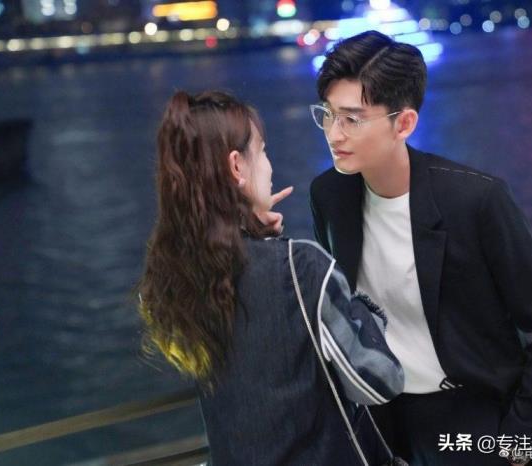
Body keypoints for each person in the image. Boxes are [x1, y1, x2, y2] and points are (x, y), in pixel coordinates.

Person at [309, 31, 532, 466]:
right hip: (390, 424)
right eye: (327, 114)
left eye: (352, 119)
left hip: (484, 419)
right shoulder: (329, 195)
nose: (333, 133)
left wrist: (524, 436)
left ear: (404, 123)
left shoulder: (475, 200)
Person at [137, 90, 404, 466]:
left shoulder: (172, 279)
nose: (269, 166)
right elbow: (379, 381)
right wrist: (362, 307)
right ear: (237, 167)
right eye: (262, 152)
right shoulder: (302, 267)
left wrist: (248, 233)